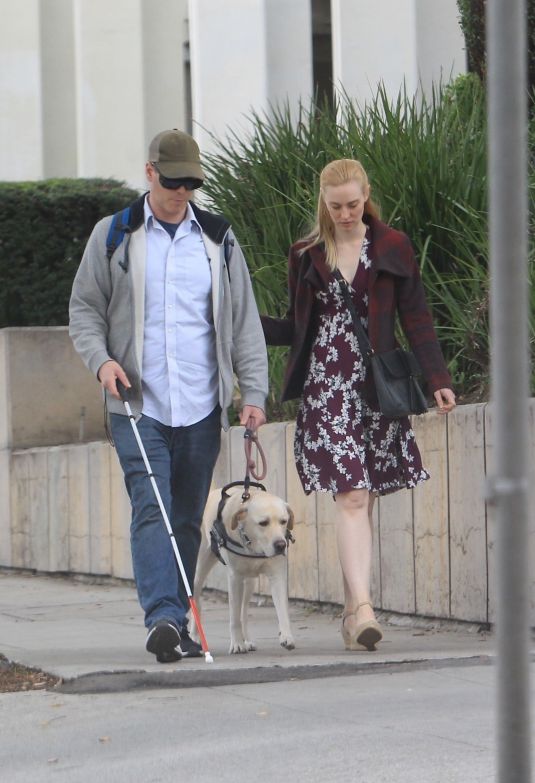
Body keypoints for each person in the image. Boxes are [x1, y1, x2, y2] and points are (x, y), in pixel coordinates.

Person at [69, 129, 268, 663]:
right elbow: (84, 310)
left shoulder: (218, 240)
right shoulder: (113, 236)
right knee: (151, 507)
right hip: (138, 405)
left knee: (185, 517)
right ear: (150, 172)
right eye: (173, 180)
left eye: (192, 183)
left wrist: (254, 392)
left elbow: (243, 323)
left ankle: (176, 621)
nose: (183, 192)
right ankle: (162, 616)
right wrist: (103, 361)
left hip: (202, 405)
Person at [261, 158, 455, 652]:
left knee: (361, 499)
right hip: (327, 388)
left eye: (353, 204)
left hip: (376, 387)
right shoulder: (306, 254)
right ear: (322, 202)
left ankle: (351, 613)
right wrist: (242, 320)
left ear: (366, 194)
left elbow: (417, 315)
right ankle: (366, 609)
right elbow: (296, 326)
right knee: (351, 496)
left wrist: (437, 378)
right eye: (336, 206)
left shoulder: (393, 247)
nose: (346, 213)